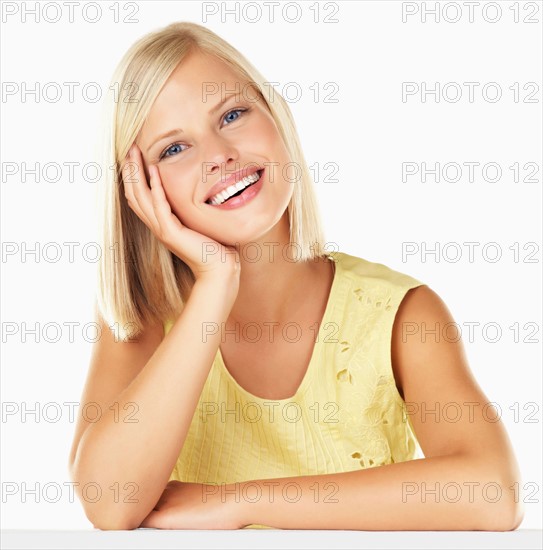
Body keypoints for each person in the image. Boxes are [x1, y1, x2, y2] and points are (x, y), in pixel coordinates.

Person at [68, 22, 523, 531]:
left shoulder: (401, 315)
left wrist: (238, 501)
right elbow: (109, 502)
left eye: (233, 114)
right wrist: (217, 282)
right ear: (141, 192)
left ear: (276, 115)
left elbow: (492, 494)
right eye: (173, 149)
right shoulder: (144, 318)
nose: (219, 154)